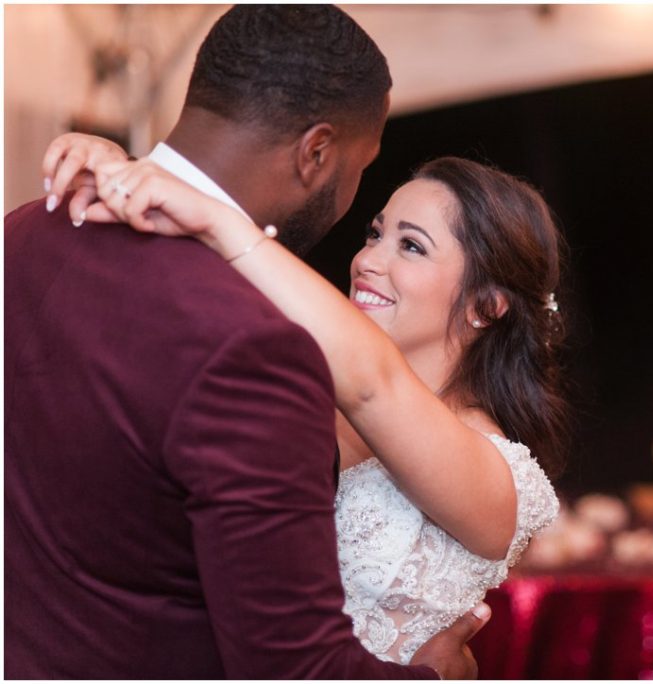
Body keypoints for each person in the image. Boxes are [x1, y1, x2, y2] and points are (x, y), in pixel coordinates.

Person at [5, 5, 484, 679]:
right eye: (360, 167)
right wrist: (438, 674)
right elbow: (295, 671)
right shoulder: (253, 349)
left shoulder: (23, 233)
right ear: (317, 153)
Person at [42, 132, 568, 664]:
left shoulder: (500, 480)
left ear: (487, 306)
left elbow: (375, 382)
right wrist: (127, 179)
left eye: (410, 246)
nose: (367, 260)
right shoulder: (298, 390)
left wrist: (218, 220)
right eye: (375, 234)